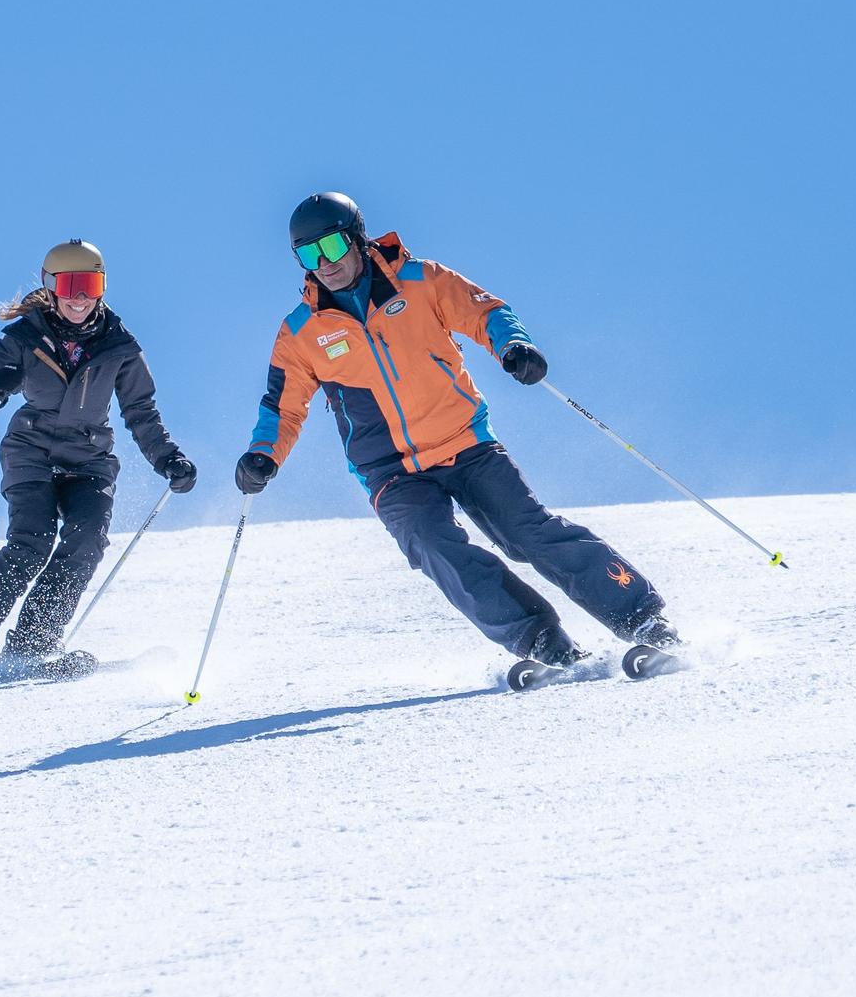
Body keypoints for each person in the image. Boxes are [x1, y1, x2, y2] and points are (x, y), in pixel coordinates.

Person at [234, 193, 679, 670]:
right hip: (390, 471)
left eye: (333, 247)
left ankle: (645, 622)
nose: (324, 264)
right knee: (437, 550)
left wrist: (514, 347)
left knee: (526, 532)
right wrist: (264, 453)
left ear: (358, 240)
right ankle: (546, 645)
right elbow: (282, 406)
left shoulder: (419, 280)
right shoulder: (301, 331)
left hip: (466, 443)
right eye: (309, 254)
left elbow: (485, 312)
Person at [0, 239, 196, 675]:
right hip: (30, 451)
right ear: (50, 288)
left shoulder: (119, 347)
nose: (79, 297)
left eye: (89, 285)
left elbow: (141, 412)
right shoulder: (24, 338)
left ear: (102, 288)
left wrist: (169, 458)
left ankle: (34, 640)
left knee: (87, 539)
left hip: (89, 459)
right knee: (30, 543)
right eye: (69, 285)